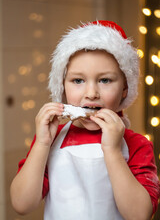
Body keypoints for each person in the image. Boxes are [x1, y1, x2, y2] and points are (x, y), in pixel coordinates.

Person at [10, 20, 160, 220]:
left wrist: (113, 152)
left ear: (125, 89)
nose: (91, 93)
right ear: (63, 87)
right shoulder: (50, 139)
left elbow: (140, 215)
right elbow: (22, 204)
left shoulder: (137, 145)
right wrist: (42, 144)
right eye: (78, 80)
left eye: (105, 80)